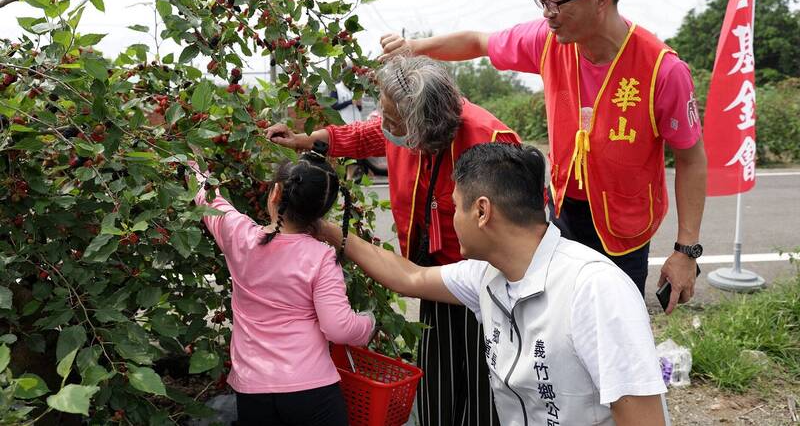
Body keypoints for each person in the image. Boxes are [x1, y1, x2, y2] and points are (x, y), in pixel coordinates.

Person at [380, 0, 707, 314]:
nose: (546, 13)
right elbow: (477, 42)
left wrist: (686, 250)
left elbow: (691, 158)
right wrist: (415, 48)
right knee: (556, 325)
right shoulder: (549, 41)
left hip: (623, 229)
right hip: (560, 214)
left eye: (556, 2)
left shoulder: (662, 71)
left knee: (612, 327)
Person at [314, 143, 669, 426]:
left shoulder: (594, 288)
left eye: (454, 208)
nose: (452, 221)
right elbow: (409, 277)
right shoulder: (486, 274)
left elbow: (642, 416)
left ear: (482, 212)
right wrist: (330, 232)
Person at [266, 56, 520, 426]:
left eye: (392, 119)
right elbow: (367, 134)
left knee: (486, 385)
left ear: (422, 126)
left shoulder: (491, 142)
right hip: (435, 274)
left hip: (487, 282)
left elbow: (519, 231)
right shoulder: (400, 124)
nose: (383, 125)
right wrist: (309, 140)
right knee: (440, 376)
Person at [190, 143, 375, 426]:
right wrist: (367, 323)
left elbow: (207, 198)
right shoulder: (321, 257)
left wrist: (190, 162)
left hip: (254, 390)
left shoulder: (239, 236)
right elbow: (338, 327)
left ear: (275, 192)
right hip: (312, 390)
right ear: (321, 212)